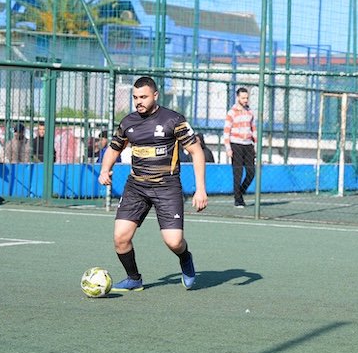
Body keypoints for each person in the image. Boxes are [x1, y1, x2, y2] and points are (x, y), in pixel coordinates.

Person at [98, 76, 208, 291]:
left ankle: (185, 258)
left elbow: (196, 151)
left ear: (155, 95)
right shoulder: (128, 122)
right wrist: (104, 169)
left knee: (174, 242)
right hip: (136, 187)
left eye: (143, 97)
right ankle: (134, 278)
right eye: (135, 97)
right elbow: (114, 148)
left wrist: (200, 189)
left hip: (167, 187)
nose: (138, 101)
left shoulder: (173, 120)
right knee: (120, 238)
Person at [223, 87, 257, 208]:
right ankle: (238, 200)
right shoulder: (231, 112)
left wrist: (256, 145)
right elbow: (226, 131)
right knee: (238, 173)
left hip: (248, 145)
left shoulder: (250, 112)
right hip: (236, 144)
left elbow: (254, 129)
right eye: (243, 98)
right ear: (238, 98)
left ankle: (240, 192)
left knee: (251, 172)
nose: (245, 100)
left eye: (247, 98)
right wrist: (228, 148)